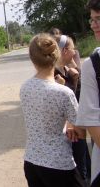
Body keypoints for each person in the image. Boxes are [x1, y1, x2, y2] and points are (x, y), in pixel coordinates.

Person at [21, 33, 85, 187]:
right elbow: (81, 132)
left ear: (32, 58)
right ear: (56, 56)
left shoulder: (25, 88)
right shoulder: (64, 92)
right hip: (59, 163)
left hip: (31, 161)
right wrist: (70, 127)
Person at [55, 34, 90, 183]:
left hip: (76, 126)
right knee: (78, 170)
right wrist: (66, 85)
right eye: (72, 49)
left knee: (84, 164)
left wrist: (75, 78)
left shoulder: (67, 70)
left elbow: (79, 96)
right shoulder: (55, 75)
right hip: (69, 132)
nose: (75, 52)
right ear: (64, 51)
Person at [76, 0, 100, 186]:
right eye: (92, 20)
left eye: (98, 19)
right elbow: (92, 122)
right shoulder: (93, 64)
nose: (93, 25)